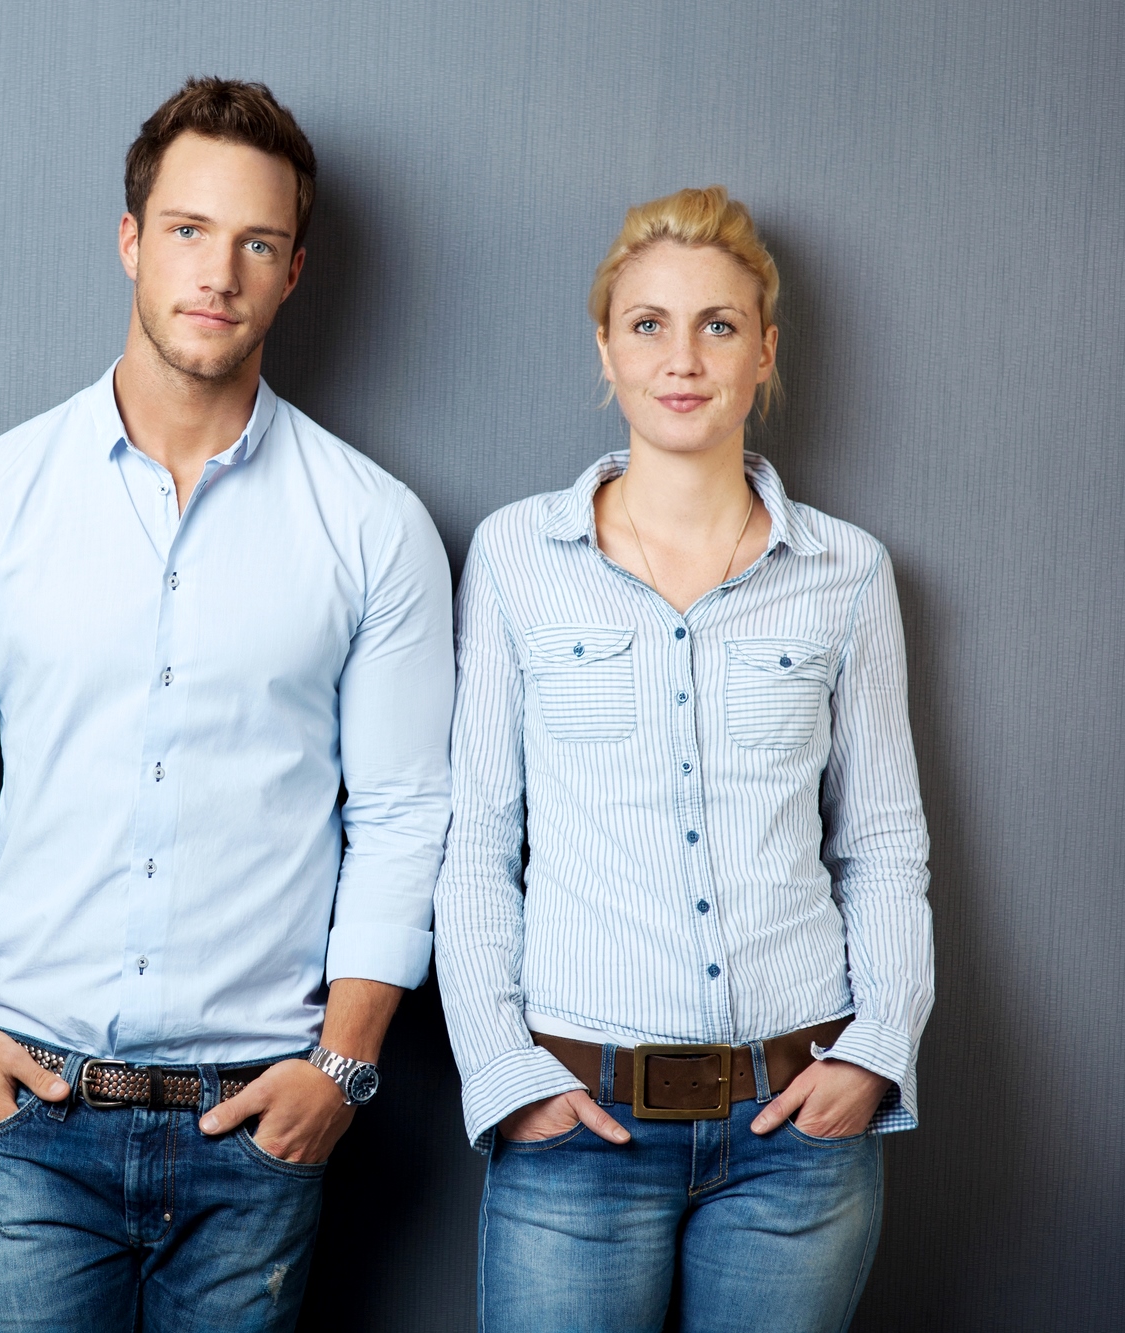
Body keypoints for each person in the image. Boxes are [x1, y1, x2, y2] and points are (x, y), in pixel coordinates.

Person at [0, 77, 455, 1332]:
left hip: (255, 1129)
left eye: (254, 242)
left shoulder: (373, 527)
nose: (217, 272)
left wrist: (341, 1072)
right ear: (130, 240)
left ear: (293, 271)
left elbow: (405, 815)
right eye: (188, 230)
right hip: (34, 1120)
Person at [434, 187, 933, 1331]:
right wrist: (507, 1078)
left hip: (796, 1141)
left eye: (717, 324)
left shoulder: (846, 572)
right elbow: (473, 844)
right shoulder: (515, 556)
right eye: (647, 323)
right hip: (574, 1129)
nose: (682, 356)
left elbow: (883, 842)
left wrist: (874, 1053)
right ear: (603, 349)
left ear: (763, 351)